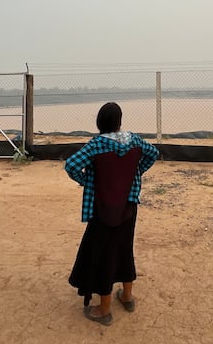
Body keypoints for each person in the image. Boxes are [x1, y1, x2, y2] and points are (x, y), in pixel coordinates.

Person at [64, 102, 159, 326]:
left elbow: (71, 165)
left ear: (99, 122)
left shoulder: (96, 144)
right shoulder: (134, 140)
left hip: (103, 209)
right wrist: (135, 172)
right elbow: (154, 153)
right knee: (125, 249)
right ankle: (127, 296)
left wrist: (87, 181)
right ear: (119, 121)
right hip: (128, 206)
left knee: (103, 254)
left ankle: (104, 310)